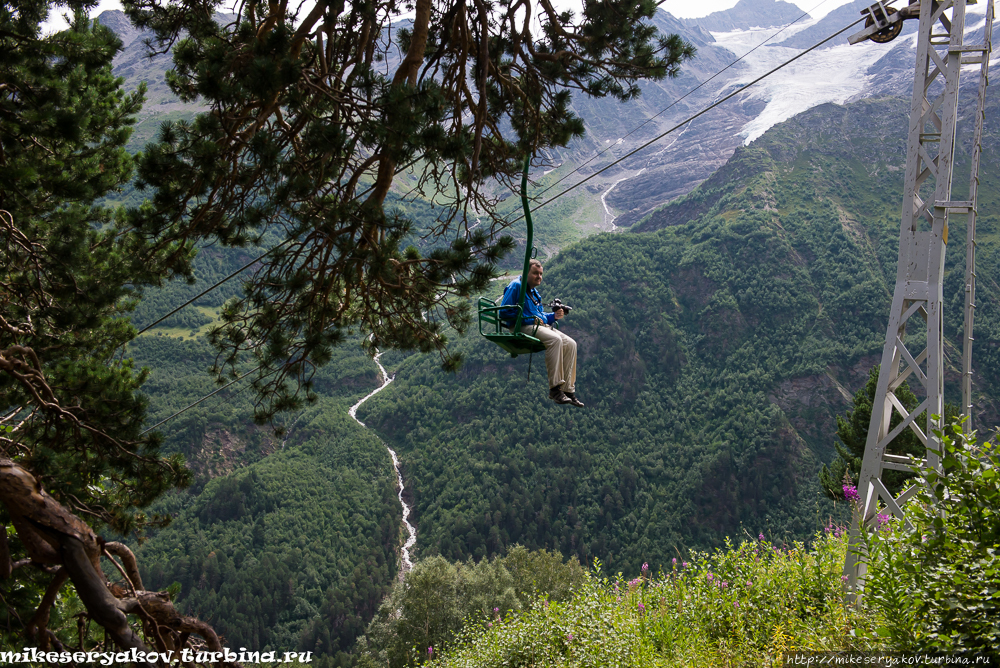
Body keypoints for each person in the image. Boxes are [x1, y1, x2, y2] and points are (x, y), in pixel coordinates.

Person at [500, 259, 583, 407]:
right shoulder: (516, 286)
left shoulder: (534, 292)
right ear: (526, 272)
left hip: (537, 326)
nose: (539, 277)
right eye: (535, 273)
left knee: (571, 344)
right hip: (521, 327)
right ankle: (555, 389)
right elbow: (504, 312)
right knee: (555, 340)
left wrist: (554, 316)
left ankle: (568, 389)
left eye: (541, 274)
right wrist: (528, 319)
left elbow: (539, 315)